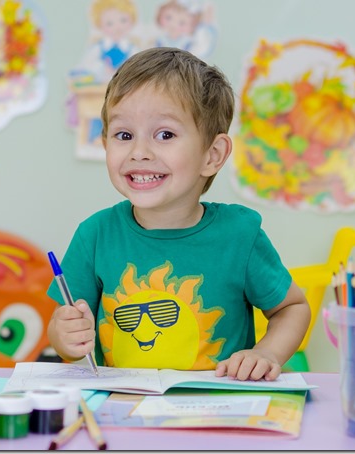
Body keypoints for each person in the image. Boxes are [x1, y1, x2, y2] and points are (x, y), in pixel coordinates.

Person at [48, 47, 311, 381]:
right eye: (124, 135)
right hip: (123, 412)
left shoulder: (240, 236)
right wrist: (66, 337)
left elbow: (291, 307)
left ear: (212, 155)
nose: (139, 152)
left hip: (215, 416)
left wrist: (266, 352)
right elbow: (63, 330)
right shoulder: (95, 235)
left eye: (165, 135)